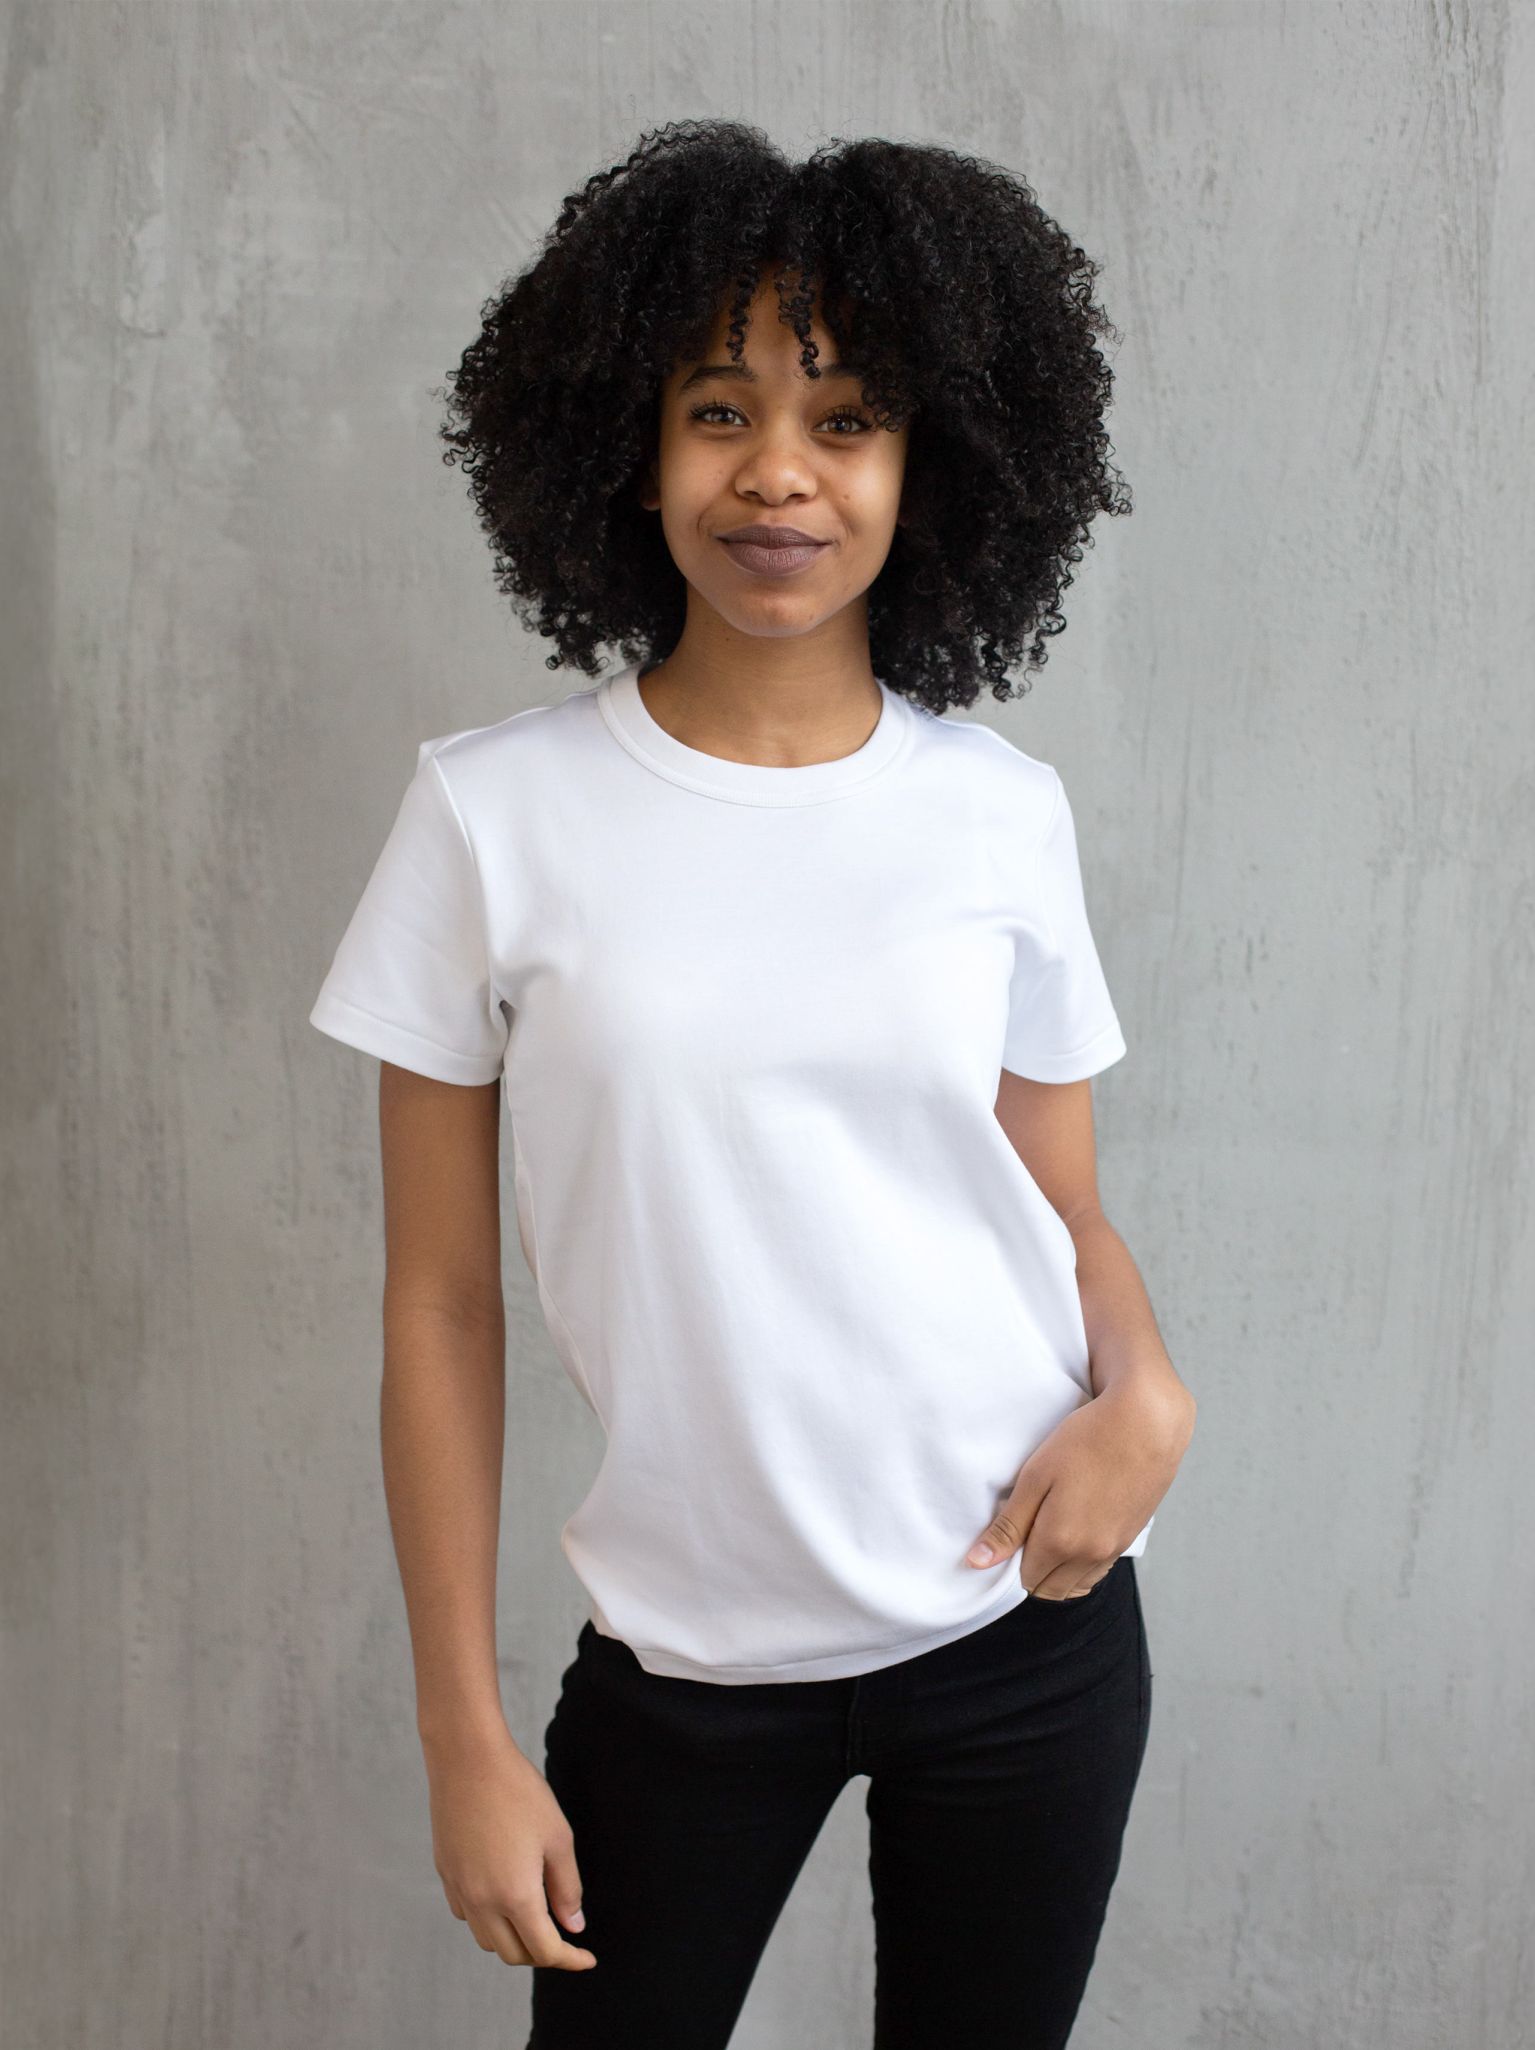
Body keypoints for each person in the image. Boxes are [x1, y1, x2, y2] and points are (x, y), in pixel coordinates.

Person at [309, 119, 1198, 2050]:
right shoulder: (490, 815)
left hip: (1026, 1628)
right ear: (630, 454)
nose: (778, 470)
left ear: (926, 468)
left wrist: (1148, 1392)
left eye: (846, 419)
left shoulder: (999, 813)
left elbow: (1064, 1212)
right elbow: (440, 1302)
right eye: (719, 410)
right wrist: (464, 1733)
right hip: (685, 1667)